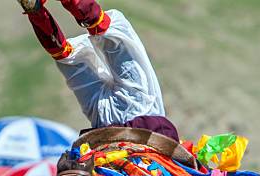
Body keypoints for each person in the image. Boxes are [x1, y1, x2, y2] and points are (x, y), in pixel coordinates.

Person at [17, 0, 179, 140]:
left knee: (110, 39)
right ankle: (36, 12)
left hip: (111, 124)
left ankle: (36, 12)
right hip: (113, 118)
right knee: (106, 39)